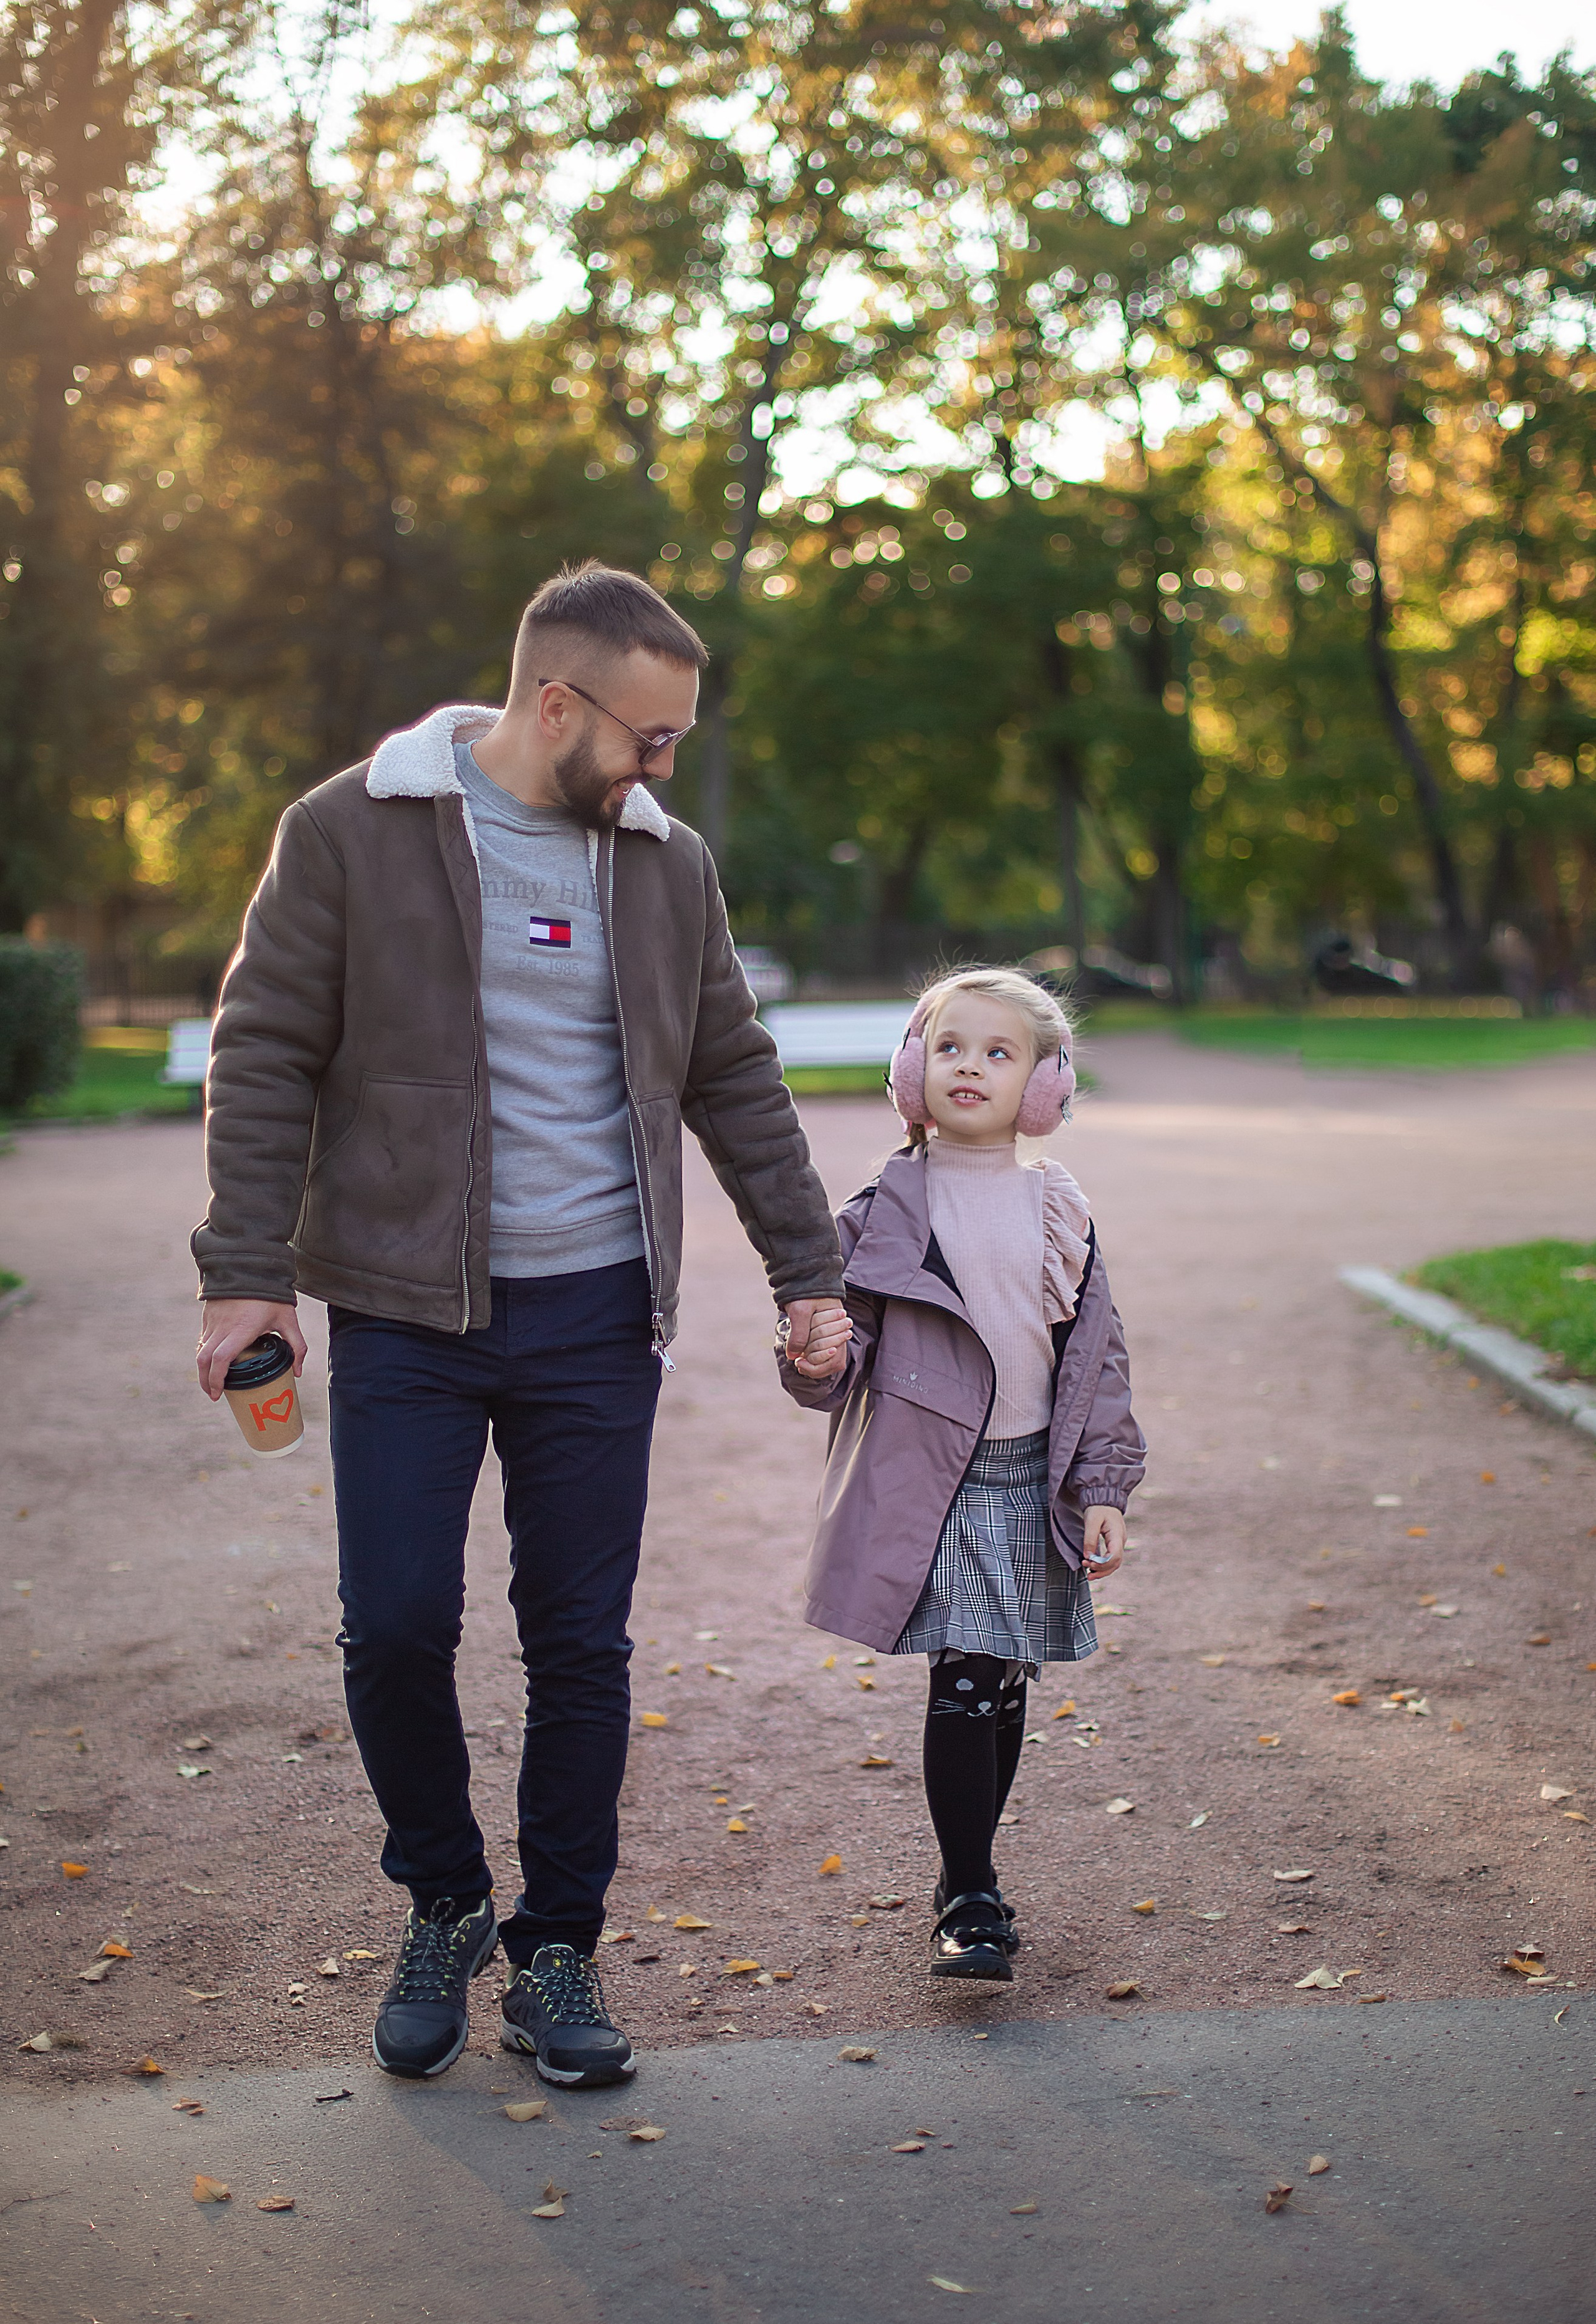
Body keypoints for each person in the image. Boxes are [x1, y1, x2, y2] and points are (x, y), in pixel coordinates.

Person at [192, 562, 852, 2086]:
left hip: (597, 1314)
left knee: (577, 1642)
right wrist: (245, 1270)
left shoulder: (663, 863)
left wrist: (803, 1271)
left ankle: (558, 1949)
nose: (663, 767)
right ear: (555, 702)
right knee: (398, 1625)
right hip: (408, 1313)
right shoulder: (352, 830)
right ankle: (443, 1899)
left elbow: (731, 1075)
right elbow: (268, 1048)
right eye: (649, 736)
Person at [779, 966, 1145, 1981]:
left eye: (999, 1052)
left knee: (1005, 1674)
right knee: (970, 1672)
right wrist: (812, 1353)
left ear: (1043, 1087)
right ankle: (973, 1889)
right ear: (912, 1071)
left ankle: (966, 1878)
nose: (971, 1067)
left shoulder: (1059, 1207)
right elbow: (838, 1351)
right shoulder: (884, 1210)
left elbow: (1097, 1358)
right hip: (938, 1482)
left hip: (1034, 1480)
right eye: (949, 1048)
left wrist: (1103, 1485)